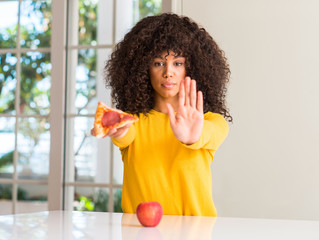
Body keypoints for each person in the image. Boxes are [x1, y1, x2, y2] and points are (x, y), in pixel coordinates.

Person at [92, 13, 232, 216]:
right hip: (138, 232)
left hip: (194, 233)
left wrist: (193, 136)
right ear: (142, 69)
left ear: (191, 68)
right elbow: (125, 135)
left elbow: (210, 133)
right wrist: (115, 128)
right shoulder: (134, 123)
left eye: (178, 63)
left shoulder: (211, 121)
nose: (168, 72)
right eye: (158, 63)